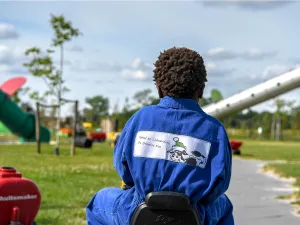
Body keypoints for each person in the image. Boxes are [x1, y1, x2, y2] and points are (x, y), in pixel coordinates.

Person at [86, 47, 234, 225]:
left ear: (159, 88)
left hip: (138, 210)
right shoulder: (215, 129)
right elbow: (220, 185)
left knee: (98, 202)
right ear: (201, 89)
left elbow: (124, 170)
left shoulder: (139, 119)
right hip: (194, 215)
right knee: (224, 206)